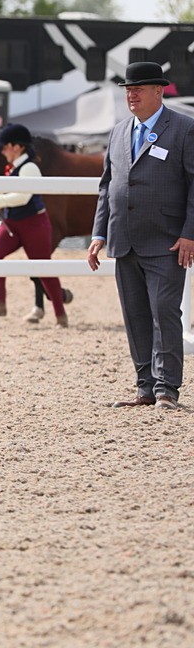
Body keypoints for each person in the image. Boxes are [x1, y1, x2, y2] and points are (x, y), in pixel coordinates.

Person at [89, 61, 194, 411]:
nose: (131, 94)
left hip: (167, 240)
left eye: (138, 88)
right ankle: (145, 387)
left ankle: (167, 389)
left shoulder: (183, 128)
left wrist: (190, 234)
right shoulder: (119, 131)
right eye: (127, 89)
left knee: (164, 311)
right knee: (135, 315)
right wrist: (98, 232)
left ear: (158, 91)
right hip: (125, 238)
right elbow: (108, 187)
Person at [0, 123, 68, 327]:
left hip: (33, 225)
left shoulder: (29, 167)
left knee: (43, 267)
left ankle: (60, 314)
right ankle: (0, 301)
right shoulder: (15, 167)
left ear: (16, 147)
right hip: (13, 223)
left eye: (4, 147)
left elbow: (23, 196)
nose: (2, 151)